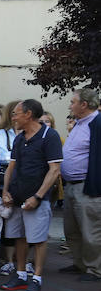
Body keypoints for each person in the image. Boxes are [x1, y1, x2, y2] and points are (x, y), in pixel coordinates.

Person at [1, 99, 63, 291]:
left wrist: (38, 196)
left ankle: (36, 279)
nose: (13, 117)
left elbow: (54, 171)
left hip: (37, 199)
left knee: (38, 240)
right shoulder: (20, 138)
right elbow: (12, 166)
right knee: (20, 236)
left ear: (28, 114)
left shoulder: (50, 136)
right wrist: (5, 191)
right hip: (17, 197)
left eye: (16, 114)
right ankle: (20, 275)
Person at [59, 89, 101, 281]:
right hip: (71, 185)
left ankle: (95, 269)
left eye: (72, 101)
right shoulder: (79, 123)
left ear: (84, 104)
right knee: (72, 229)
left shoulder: (97, 123)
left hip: (88, 187)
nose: (70, 105)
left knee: (90, 230)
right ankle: (80, 263)